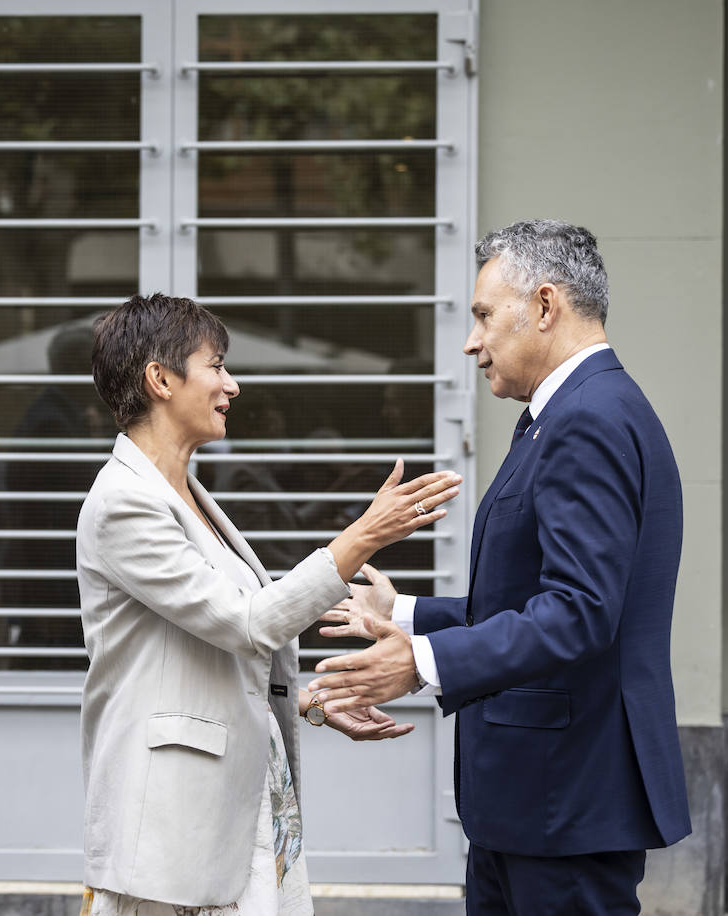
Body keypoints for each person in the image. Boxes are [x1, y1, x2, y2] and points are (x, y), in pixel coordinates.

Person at [309, 220, 691, 914]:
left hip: (562, 804)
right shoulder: (570, 412)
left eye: (483, 316)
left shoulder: (588, 419)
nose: (470, 341)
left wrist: (423, 661)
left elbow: (578, 612)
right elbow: (532, 596)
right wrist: (403, 614)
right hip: (539, 805)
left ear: (545, 307)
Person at [77, 293, 462, 914]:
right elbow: (247, 623)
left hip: (241, 795)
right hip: (172, 818)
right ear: (160, 380)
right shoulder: (126, 501)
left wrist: (310, 700)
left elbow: (208, 648)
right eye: (217, 365)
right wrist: (364, 534)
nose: (232, 384)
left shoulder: (184, 491)